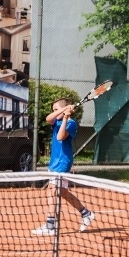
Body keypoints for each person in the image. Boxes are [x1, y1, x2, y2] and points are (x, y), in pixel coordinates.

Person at [31, 97, 95, 236]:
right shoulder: (55, 122)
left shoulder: (71, 123)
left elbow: (60, 137)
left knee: (52, 190)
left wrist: (65, 117)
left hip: (62, 162)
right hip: (54, 162)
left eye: (56, 109)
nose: (54, 112)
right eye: (54, 109)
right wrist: (61, 111)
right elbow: (48, 118)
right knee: (62, 192)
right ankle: (86, 213)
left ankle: (50, 225)